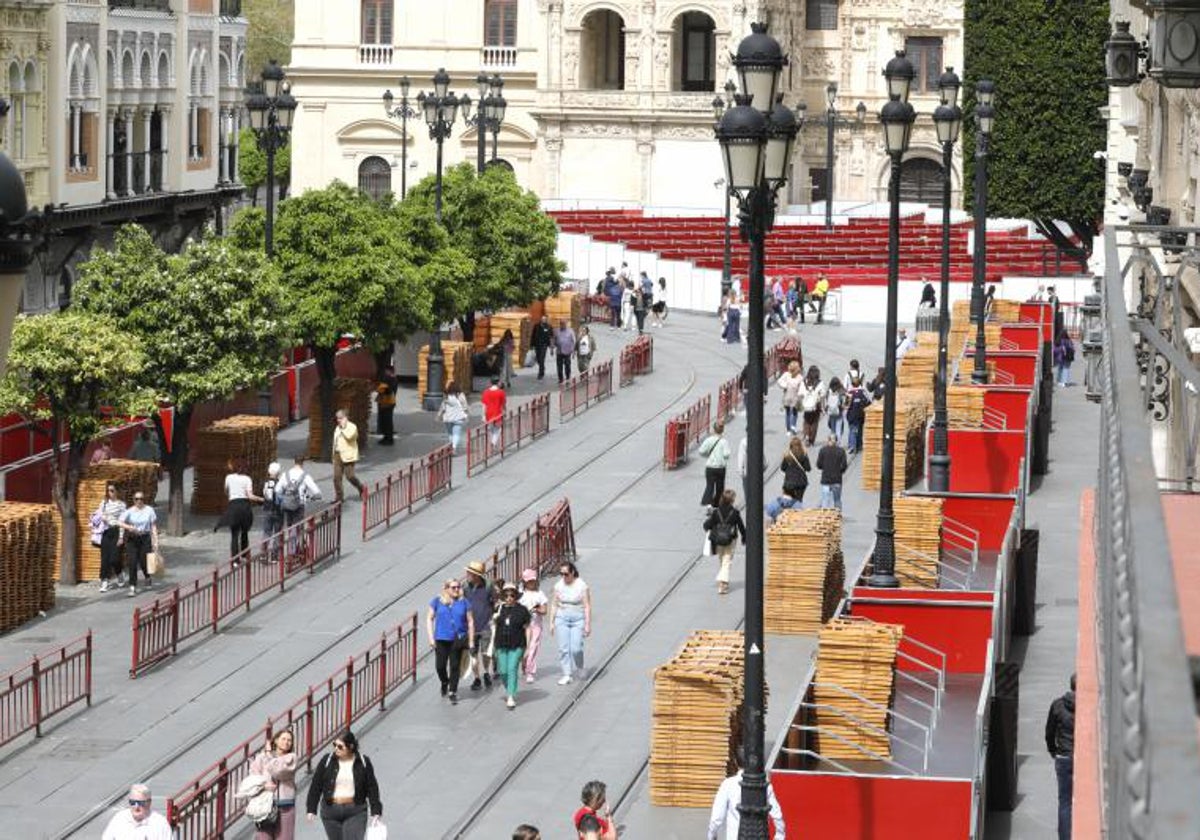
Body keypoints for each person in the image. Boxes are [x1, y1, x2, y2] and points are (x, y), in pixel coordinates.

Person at [305, 730, 382, 839]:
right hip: (331, 811)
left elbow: (372, 787)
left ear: (350, 746)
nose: (336, 749)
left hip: (356, 811)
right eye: (334, 745)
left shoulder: (363, 761)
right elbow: (316, 785)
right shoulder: (327, 760)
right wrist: (311, 809)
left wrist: (376, 810)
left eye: (340, 746)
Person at [707, 745, 787, 840]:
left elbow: (716, 818)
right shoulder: (764, 784)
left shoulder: (728, 784)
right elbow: (777, 814)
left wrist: (712, 836)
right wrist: (779, 835)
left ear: (736, 762)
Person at [427, 578, 474, 703]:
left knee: (454, 666)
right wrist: (431, 638)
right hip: (441, 638)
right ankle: (444, 681)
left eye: (458, 587)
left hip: (457, 638)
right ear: (446, 588)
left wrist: (471, 640)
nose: (457, 589)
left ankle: (453, 691)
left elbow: (470, 621)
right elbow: (429, 618)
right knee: (440, 666)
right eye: (453, 587)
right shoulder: (437, 601)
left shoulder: (464, 602)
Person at [249, 729, 298, 840]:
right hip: (265, 806)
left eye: (289, 740)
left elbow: (278, 772)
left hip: (285, 806)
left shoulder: (291, 758)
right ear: (276, 740)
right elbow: (253, 776)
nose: (286, 742)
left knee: (285, 837)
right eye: (283, 739)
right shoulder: (261, 757)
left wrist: (268, 755)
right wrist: (263, 786)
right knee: (263, 837)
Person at [548, 560, 591, 685]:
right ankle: (567, 674)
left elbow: (587, 606)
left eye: (566, 574)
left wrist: (587, 624)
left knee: (576, 648)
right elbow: (554, 604)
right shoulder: (558, 586)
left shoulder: (582, 585)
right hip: (562, 617)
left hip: (578, 618)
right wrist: (551, 622)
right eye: (561, 574)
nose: (563, 577)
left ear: (572, 573)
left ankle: (580, 667)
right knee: (564, 648)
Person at [1045, 674, 1076, 840]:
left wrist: (1053, 749)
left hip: (1063, 757)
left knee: (1065, 802)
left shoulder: (1058, 705)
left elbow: (1049, 731)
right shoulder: (1089, 706)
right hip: (1081, 758)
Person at [493, 581, 532, 709]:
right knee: (503, 671)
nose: (509, 598)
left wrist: (528, 647)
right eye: (506, 595)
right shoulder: (499, 609)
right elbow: (493, 625)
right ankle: (510, 687)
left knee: (512, 668)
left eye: (512, 595)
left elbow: (527, 628)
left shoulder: (522, 610)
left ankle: (510, 696)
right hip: (501, 644)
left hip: (517, 644)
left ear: (516, 596)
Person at [704, 489, 746, 595]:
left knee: (722, 559)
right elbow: (741, 527)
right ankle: (723, 584)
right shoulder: (735, 512)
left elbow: (707, 524)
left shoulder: (716, 512)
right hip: (730, 539)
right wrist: (744, 538)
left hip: (718, 539)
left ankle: (723, 582)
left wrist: (708, 528)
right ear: (732, 500)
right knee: (727, 560)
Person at [219, 458, 262, 561]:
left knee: (234, 534)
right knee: (244, 532)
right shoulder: (247, 479)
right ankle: (244, 555)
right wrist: (261, 499)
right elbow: (250, 496)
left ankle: (235, 560)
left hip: (233, 506)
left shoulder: (228, 477)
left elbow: (226, 491)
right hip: (244, 506)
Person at [462, 560, 495, 690]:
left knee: (486, 652)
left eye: (470, 573)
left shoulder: (488, 586)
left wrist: (493, 617)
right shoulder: (465, 587)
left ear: (477, 575)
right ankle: (477, 678)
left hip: (486, 623)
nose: (468, 574)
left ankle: (486, 672)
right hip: (471, 626)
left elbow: (495, 601)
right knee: (473, 653)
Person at [117, 492, 158, 597]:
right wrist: (128, 527)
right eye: (136, 499)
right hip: (132, 539)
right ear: (134, 500)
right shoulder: (129, 511)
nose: (139, 501)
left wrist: (155, 541)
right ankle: (132, 586)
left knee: (144, 562)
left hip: (145, 538)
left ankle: (147, 577)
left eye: (141, 499)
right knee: (132, 563)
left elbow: (153, 526)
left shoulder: (149, 510)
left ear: (144, 500)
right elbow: (119, 522)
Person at [101, 783, 172, 840]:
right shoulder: (119, 819)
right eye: (132, 802)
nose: (136, 806)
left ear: (149, 803)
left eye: (140, 803)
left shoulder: (160, 823)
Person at [278, 455, 322, 542]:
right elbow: (317, 492)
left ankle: (292, 546)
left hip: (287, 504)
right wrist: (312, 497)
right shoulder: (305, 476)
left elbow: (277, 490)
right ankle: (294, 549)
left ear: (294, 462)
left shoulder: (285, 475)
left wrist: (283, 498)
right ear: (302, 463)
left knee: (290, 526)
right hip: (300, 504)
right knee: (297, 527)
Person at [94, 484, 127, 593]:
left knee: (115, 558)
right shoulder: (104, 503)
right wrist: (101, 517)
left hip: (116, 531)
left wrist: (121, 537)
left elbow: (122, 522)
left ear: (117, 491)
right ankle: (105, 581)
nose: (110, 493)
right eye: (108, 490)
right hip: (105, 531)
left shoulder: (122, 505)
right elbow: (98, 515)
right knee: (105, 558)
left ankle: (119, 573)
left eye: (112, 490)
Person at [519, 568, 548, 683]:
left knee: (532, 648)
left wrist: (537, 609)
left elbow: (545, 610)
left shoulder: (540, 594)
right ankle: (524, 664)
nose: (531, 583)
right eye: (528, 581)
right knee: (523, 649)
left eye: (533, 581)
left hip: (535, 625)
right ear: (524, 581)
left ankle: (530, 671)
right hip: (522, 626)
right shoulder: (520, 594)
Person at [332, 409, 365, 503]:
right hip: (338, 455)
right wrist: (334, 454)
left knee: (350, 476)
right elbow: (335, 441)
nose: (338, 420)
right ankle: (339, 497)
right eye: (337, 418)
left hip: (348, 456)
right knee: (336, 477)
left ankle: (361, 487)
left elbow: (350, 437)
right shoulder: (337, 427)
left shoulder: (352, 427)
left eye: (340, 418)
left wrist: (343, 427)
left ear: (346, 418)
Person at [698, 420, 731, 507]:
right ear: (722, 430)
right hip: (720, 467)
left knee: (709, 485)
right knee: (720, 487)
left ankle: (708, 504)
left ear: (713, 429)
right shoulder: (724, 441)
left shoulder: (708, 440)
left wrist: (708, 455)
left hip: (710, 467)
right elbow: (726, 454)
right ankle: (717, 504)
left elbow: (701, 451)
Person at [816, 434, 849, 510]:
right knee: (837, 500)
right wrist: (839, 471)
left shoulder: (823, 450)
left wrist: (825, 467)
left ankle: (825, 517)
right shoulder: (841, 451)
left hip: (826, 479)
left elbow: (818, 465)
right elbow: (844, 465)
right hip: (837, 479)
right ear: (837, 441)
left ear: (828, 440)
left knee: (825, 500)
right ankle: (837, 516)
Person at [798, 366, 827, 446]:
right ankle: (811, 439)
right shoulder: (820, 383)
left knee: (806, 420)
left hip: (806, 405)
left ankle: (806, 434)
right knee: (814, 422)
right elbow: (823, 394)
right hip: (816, 406)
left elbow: (800, 394)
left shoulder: (804, 382)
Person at [261, 462, 284, 563]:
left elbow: (264, 495)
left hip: (267, 509)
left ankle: (263, 554)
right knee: (277, 533)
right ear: (278, 472)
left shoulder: (265, 483)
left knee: (266, 532)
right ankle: (274, 556)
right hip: (278, 511)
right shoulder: (280, 483)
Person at [438, 383, 470, 453]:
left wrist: (439, 415)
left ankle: (451, 446)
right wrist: (466, 415)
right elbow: (464, 405)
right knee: (457, 434)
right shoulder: (460, 395)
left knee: (450, 434)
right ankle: (454, 447)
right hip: (458, 417)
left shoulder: (446, 395)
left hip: (448, 418)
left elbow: (443, 406)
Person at [781, 436, 812, 504]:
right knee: (799, 501)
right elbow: (808, 468)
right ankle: (798, 512)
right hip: (801, 482)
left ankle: (791, 512)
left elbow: (783, 468)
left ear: (790, 445)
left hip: (789, 482)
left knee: (789, 501)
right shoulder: (803, 455)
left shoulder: (787, 455)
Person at [777, 360, 804, 435]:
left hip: (787, 396)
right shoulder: (799, 377)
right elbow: (802, 388)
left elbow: (779, 381)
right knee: (794, 413)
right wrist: (801, 396)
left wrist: (785, 386)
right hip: (795, 397)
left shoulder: (786, 374)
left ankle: (789, 429)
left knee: (788, 413)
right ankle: (793, 426)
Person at [481, 376, 507, 448]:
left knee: (492, 429)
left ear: (490, 383)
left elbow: (484, 405)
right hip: (498, 413)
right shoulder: (501, 392)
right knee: (498, 429)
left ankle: (493, 442)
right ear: (498, 382)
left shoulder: (486, 392)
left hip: (488, 413)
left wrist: (483, 415)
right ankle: (493, 442)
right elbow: (503, 404)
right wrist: (505, 412)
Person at [374, 364, 397, 445]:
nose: (385, 372)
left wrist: (379, 388)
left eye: (386, 371)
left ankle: (388, 439)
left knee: (387, 421)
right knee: (386, 420)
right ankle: (386, 437)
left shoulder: (389, 378)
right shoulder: (392, 378)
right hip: (388, 401)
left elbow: (384, 390)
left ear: (388, 371)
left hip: (387, 402)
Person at [845, 385, 871, 454]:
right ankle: (859, 445)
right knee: (860, 429)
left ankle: (852, 446)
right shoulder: (862, 392)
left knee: (852, 430)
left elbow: (846, 405)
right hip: (860, 415)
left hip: (851, 415)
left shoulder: (849, 393)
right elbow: (868, 402)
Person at [531, 315, 554, 380]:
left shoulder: (549, 327)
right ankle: (542, 367)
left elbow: (551, 337)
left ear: (546, 320)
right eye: (542, 319)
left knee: (541, 359)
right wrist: (531, 345)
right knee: (538, 359)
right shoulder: (536, 326)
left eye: (544, 319)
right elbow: (533, 335)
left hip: (544, 345)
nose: (543, 320)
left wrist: (551, 348)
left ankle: (540, 373)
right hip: (537, 345)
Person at [826, 377, 847, 443]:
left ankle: (832, 441)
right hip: (839, 411)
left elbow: (827, 400)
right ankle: (838, 442)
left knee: (833, 428)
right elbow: (846, 396)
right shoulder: (840, 391)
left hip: (831, 411)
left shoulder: (829, 391)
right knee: (839, 428)